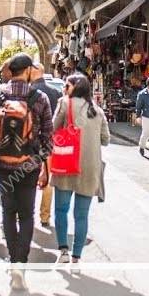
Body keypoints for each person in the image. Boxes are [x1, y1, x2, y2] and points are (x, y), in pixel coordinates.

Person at [0, 53, 52, 291]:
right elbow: (47, 139)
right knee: (27, 214)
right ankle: (21, 263)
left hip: (3, 165)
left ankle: (13, 261)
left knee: (8, 213)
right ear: (29, 70)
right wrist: (45, 170)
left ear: (10, 71)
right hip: (29, 166)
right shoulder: (39, 98)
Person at [50, 73, 110, 267]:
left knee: (61, 209)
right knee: (82, 215)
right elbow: (106, 140)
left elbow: (53, 128)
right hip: (90, 168)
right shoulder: (97, 111)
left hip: (67, 163)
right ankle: (76, 256)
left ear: (75, 87)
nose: (64, 89)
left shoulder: (64, 103)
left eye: (66, 85)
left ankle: (63, 251)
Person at [29, 61, 62, 228]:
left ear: (33, 72)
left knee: (29, 178)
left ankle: (26, 213)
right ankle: (45, 216)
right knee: (47, 178)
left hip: (32, 141)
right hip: (50, 141)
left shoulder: (29, 92)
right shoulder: (56, 92)